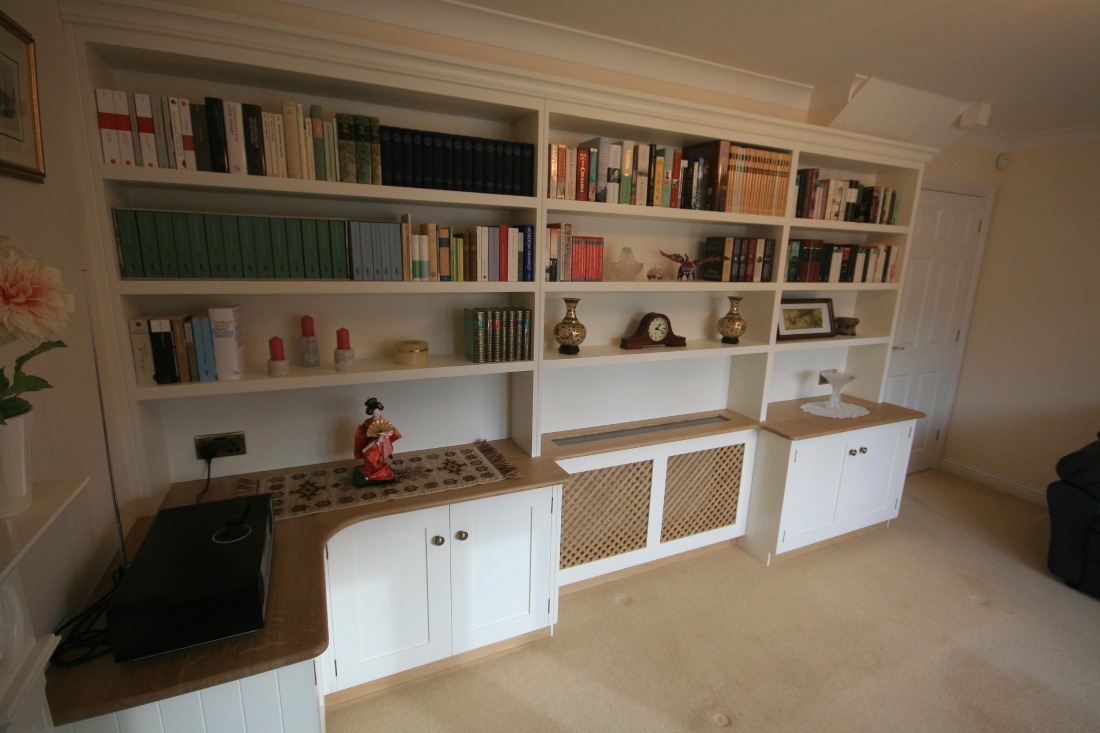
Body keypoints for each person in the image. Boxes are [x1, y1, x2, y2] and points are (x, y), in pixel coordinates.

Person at [353, 397, 401, 485]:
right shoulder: (368, 421)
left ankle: (377, 471)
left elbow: (390, 430)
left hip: (379, 443)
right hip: (371, 440)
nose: (376, 413)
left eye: (377, 411)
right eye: (374, 411)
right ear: (370, 411)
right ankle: (370, 470)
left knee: (370, 456)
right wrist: (361, 427)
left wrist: (382, 435)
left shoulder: (383, 421)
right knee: (366, 454)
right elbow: (366, 429)